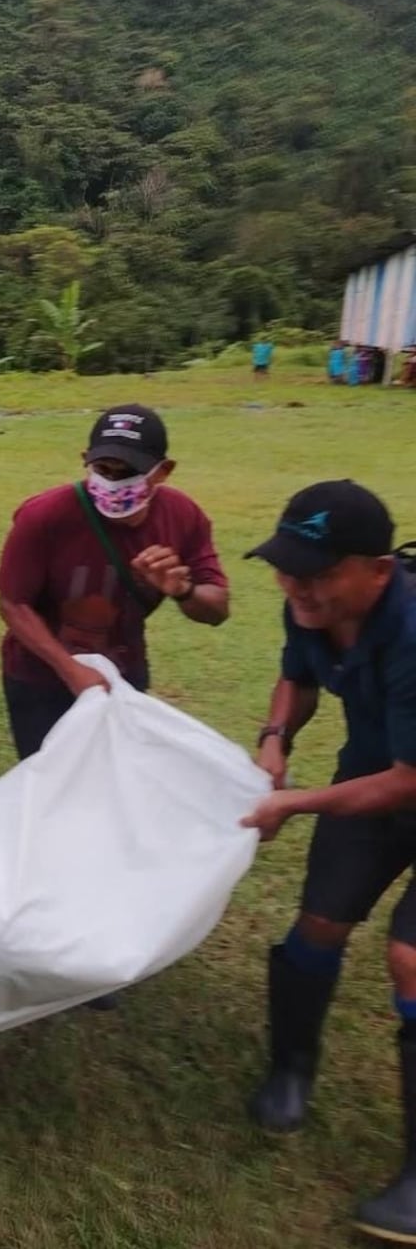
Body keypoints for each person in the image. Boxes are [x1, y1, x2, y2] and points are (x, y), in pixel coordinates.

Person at [240, 483, 416, 1241]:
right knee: (317, 924)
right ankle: (290, 1069)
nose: (295, 585)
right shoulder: (309, 603)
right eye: (286, 567)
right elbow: (299, 675)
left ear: (378, 571)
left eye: (314, 570)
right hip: (372, 776)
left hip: (401, 777)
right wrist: (277, 737)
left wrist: (296, 802)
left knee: (411, 956)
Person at [0, 405, 230, 761]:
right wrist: (71, 670)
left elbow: (217, 608)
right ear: (85, 461)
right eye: (103, 469)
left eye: (129, 472)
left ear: (162, 471)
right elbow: (13, 603)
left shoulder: (183, 517)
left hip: (123, 674)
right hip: (39, 677)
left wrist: (184, 590)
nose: (113, 482)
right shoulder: (45, 516)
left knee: (117, 778)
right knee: (50, 782)